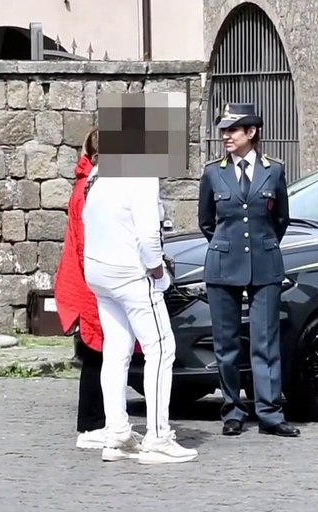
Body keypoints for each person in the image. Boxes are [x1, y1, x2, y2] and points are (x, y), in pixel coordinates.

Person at [82, 147, 196, 464]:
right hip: (129, 273)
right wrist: (158, 271)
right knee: (161, 348)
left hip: (99, 270)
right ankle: (158, 436)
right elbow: (148, 237)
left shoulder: (99, 171)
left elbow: (85, 217)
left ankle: (117, 431)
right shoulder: (141, 174)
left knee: (116, 349)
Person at [197, 103, 299, 438]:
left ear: (251, 133)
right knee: (226, 344)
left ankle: (269, 411)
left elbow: (280, 219)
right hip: (223, 264)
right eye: (223, 130)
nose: (225, 136)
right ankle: (233, 410)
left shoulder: (274, 170)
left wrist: (261, 244)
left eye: (233, 130)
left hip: (264, 262)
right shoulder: (214, 172)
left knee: (265, 341)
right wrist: (228, 246)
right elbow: (207, 222)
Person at [54, 127, 107, 449]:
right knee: (96, 354)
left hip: (87, 279)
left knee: (99, 355)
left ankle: (97, 421)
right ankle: (91, 424)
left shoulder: (85, 184)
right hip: (90, 283)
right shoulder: (89, 188)